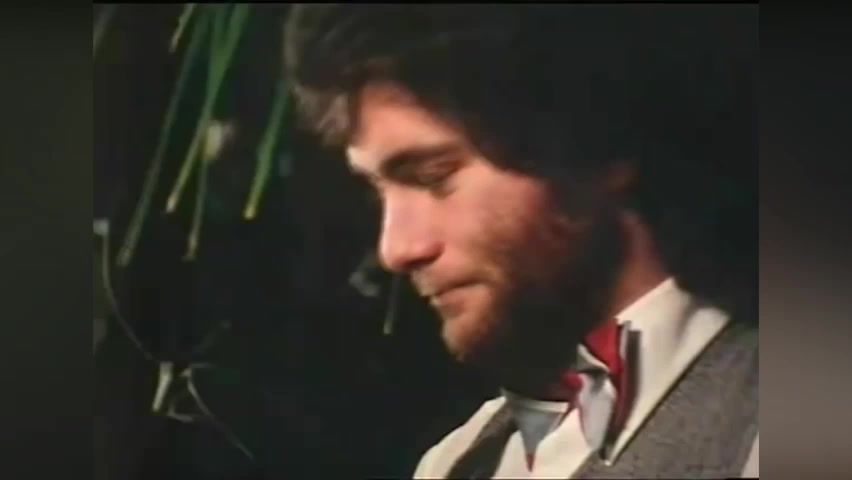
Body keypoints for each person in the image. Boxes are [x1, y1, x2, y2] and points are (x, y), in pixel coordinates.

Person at [284, 4, 757, 478]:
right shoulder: (460, 461)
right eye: (378, 192)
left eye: (434, 176)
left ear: (593, 146)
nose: (396, 248)